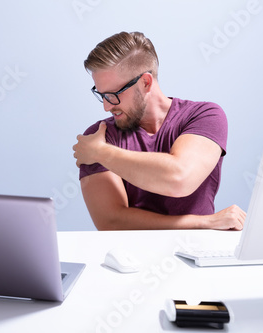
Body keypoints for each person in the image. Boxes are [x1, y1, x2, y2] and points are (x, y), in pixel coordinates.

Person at [72, 31, 246, 231]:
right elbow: (111, 222)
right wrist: (203, 222)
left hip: (199, 253)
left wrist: (101, 153)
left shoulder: (204, 115)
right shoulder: (99, 135)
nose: (107, 106)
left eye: (113, 95)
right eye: (101, 94)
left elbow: (179, 178)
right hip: (129, 258)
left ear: (145, 82)